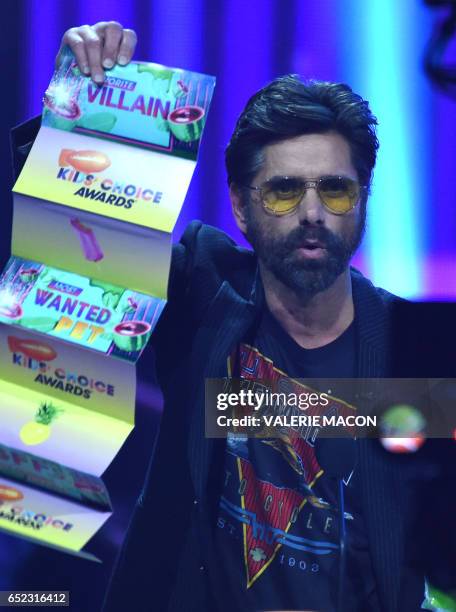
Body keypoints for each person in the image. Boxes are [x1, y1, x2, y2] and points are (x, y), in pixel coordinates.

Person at [12, 22, 425, 612]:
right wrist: (86, 103)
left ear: (362, 198)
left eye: (335, 190)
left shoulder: (413, 351)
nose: (312, 212)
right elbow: (79, 249)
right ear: (239, 204)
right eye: (284, 191)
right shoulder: (201, 291)